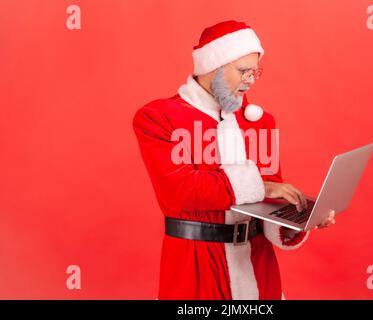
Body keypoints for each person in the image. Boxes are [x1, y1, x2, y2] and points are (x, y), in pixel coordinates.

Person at [132, 20, 336, 300]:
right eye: (243, 71)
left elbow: (270, 197)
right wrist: (261, 187)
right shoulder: (158, 117)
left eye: (255, 71)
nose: (251, 80)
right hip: (195, 267)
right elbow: (178, 191)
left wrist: (299, 218)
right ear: (213, 68)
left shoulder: (260, 122)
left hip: (257, 266)